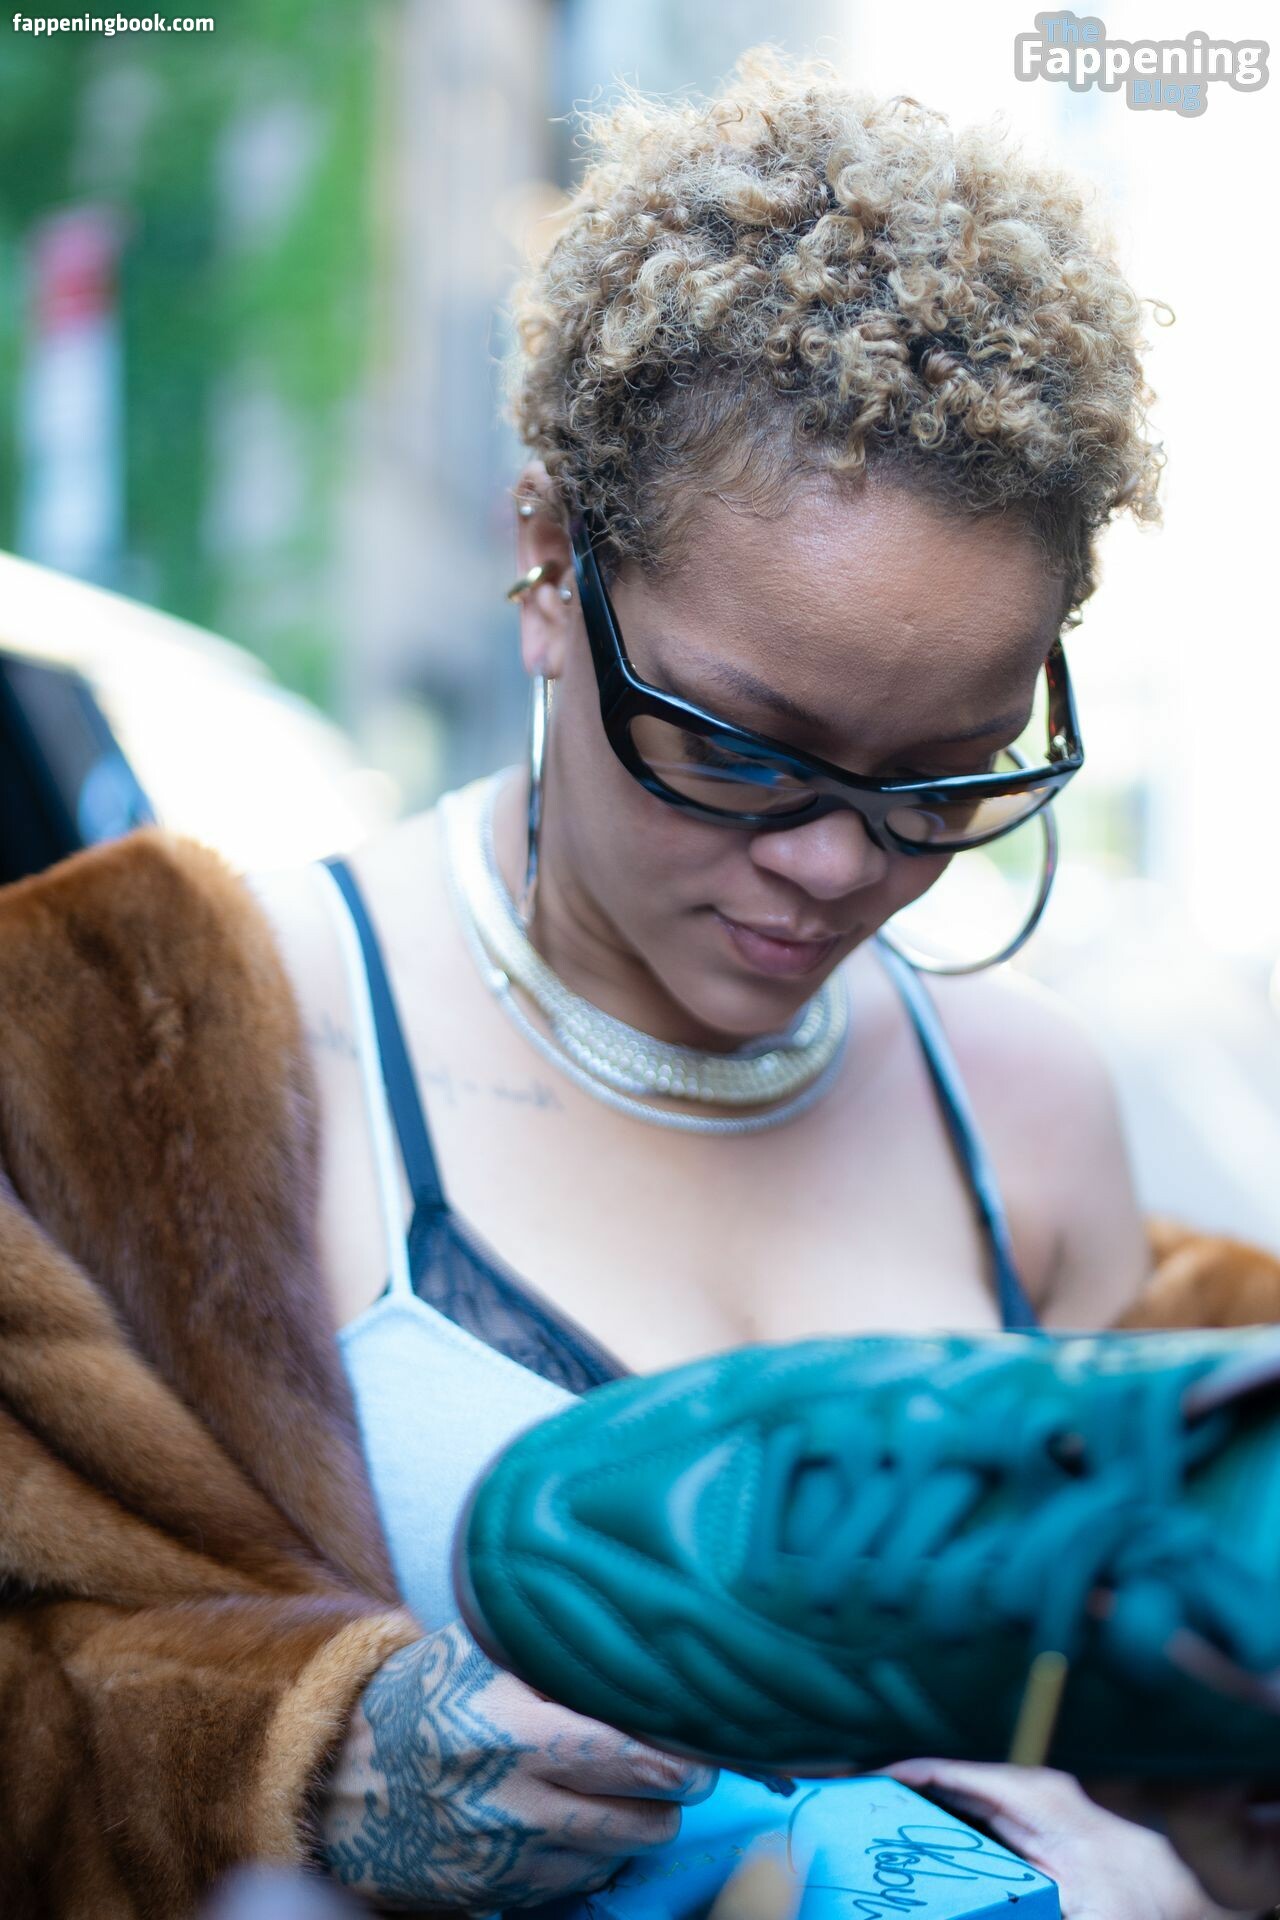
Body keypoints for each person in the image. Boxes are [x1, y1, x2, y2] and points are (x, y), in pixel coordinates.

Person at [0, 43, 1260, 1920]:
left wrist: (1164, 1850)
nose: (837, 864)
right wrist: (309, 1760)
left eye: (947, 779)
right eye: (741, 749)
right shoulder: (140, 1039)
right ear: (547, 562)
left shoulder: (1035, 1107)